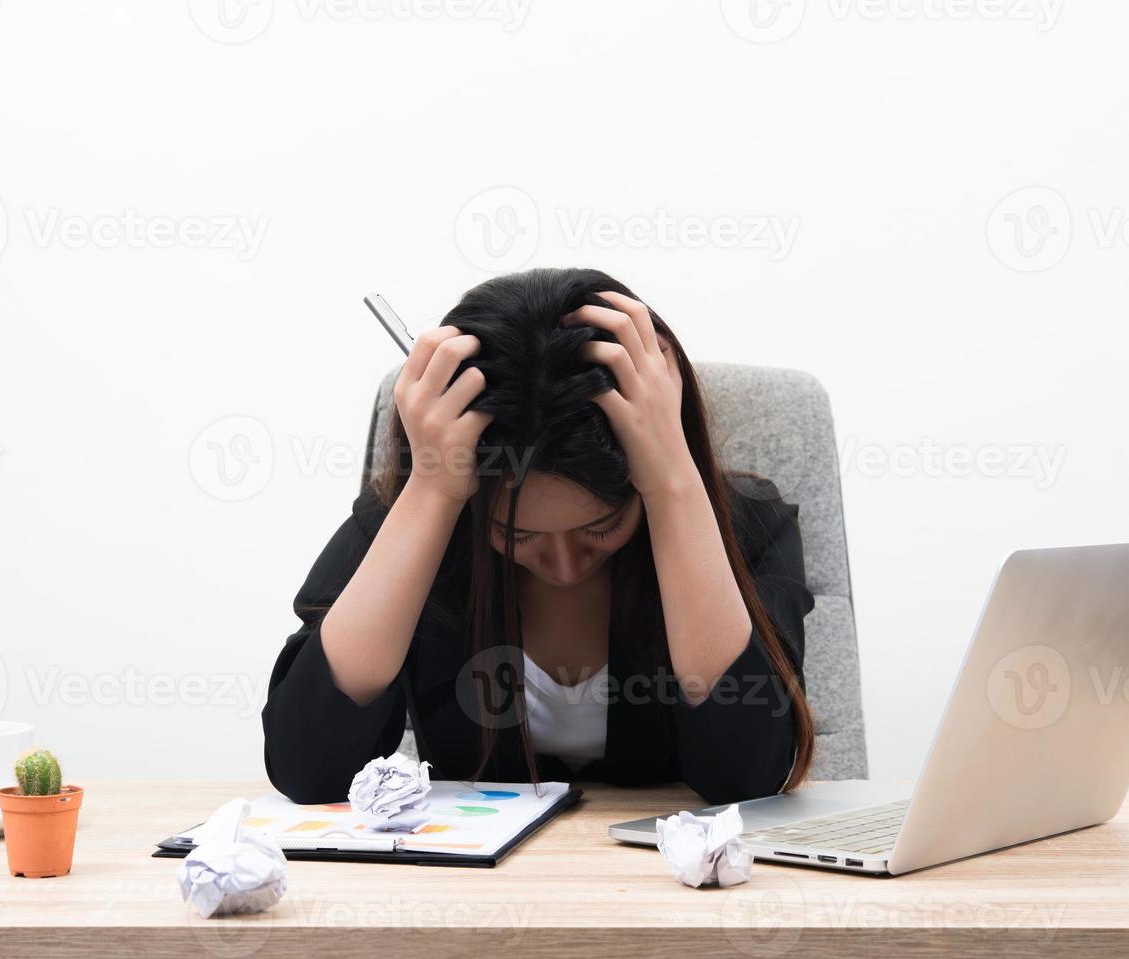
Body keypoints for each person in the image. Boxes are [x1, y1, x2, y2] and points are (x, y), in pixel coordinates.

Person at [262, 268, 816, 805]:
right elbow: (311, 770)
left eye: (601, 528)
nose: (566, 565)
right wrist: (431, 492)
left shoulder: (750, 529)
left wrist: (672, 482)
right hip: (480, 889)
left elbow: (748, 778)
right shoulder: (414, 523)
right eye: (517, 534)